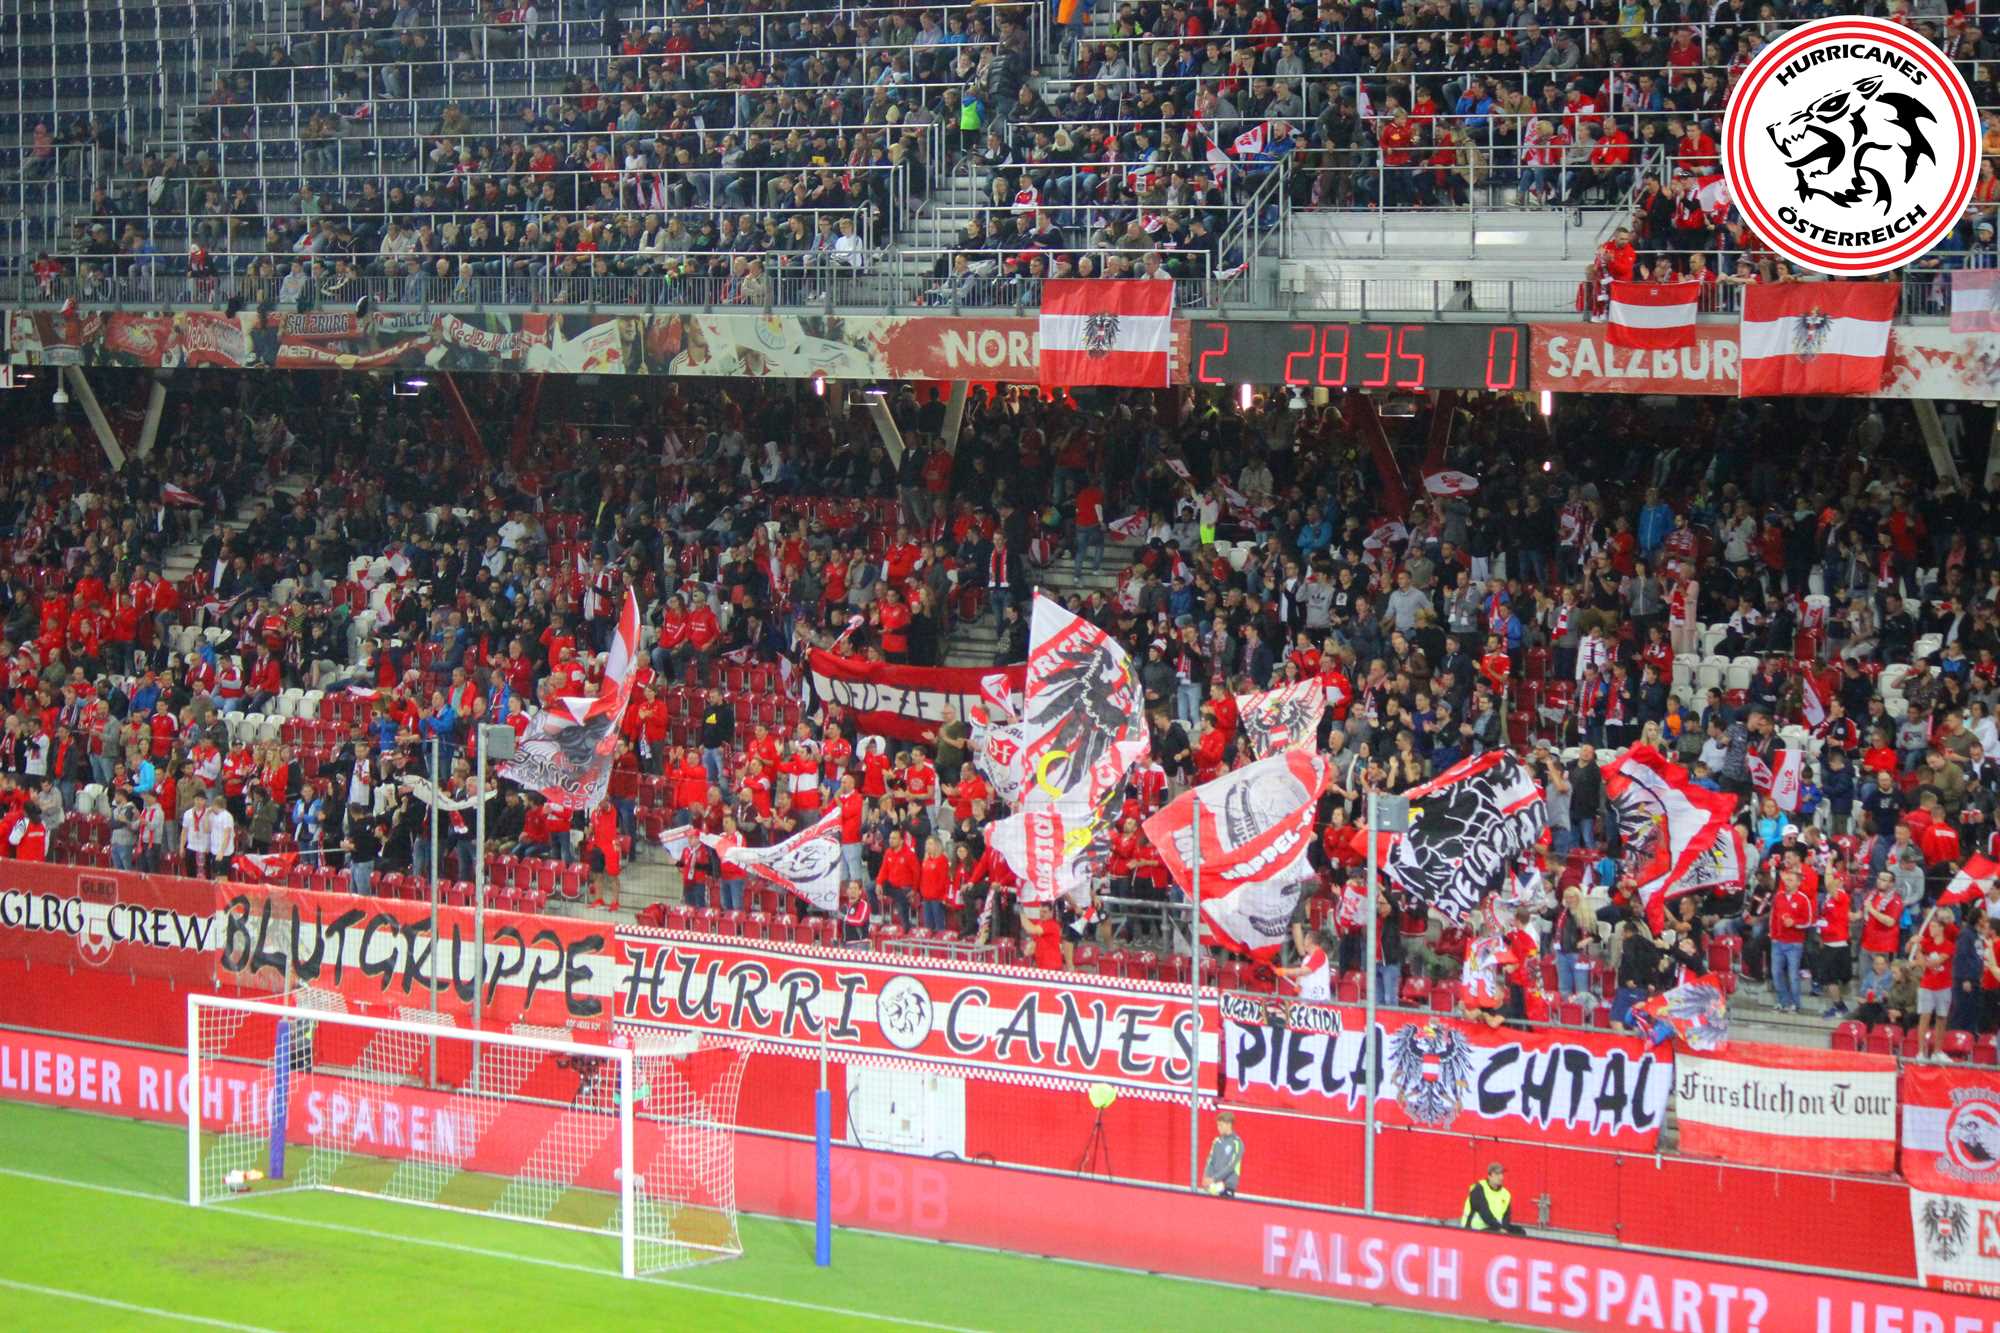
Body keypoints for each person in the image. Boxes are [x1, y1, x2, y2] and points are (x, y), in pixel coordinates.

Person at [1462, 1162, 1526, 1234]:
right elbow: (1485, 1213)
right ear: (1489, 1176)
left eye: (1502, 1174)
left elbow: (1506, 1216)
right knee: (1497, 1232)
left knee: (1520, 1231)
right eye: (1497, 1174)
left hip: (1494, 1227)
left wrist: (1504, 1228)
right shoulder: (1478, 1189)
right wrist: (1499, 1229)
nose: (1501, 1177)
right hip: (1475, 1228)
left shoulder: (1505, 1194)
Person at [1200, 1111, 1243, 1198]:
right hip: (1214, 1184)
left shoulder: (1237, 1143)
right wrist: (1206, 1178)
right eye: (1217, 1125)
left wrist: (1214, 1179)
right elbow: (1210, 1161)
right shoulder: (1217, 1141)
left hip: (1227, 1186)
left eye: (1221, 1125)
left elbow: (1231, 1167)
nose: (1218, 1128)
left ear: (1229, 1125)